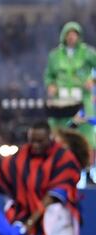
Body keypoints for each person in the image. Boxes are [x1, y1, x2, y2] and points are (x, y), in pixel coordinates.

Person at [45, 22, 96, 170]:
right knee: (60, 131)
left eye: (74, 34)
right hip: (61, 100)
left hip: (82, 98)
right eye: (69, 34)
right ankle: (58, 166)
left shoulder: (88, 53)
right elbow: (49, 75)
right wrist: (50, 85)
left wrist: (92, 81)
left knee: (86, 132)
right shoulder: (55, 55)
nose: (71, 37)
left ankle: (88, 169)